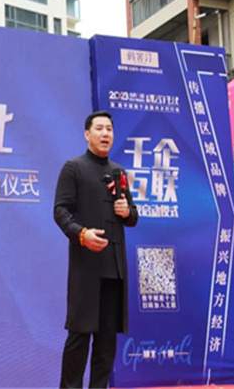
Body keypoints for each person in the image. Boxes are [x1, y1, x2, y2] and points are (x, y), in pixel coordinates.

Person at [54, 111, 138, 388]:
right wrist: (81, 234)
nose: (105, 134)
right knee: (79, 337)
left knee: (106, 343)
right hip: (87, 268)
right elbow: (60, 211)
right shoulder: (73, 168)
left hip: (114, 269)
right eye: (99, 128)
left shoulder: (118, 172)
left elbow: (133, 217)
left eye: (109, 129)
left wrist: (127, 211)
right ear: (87, 134)